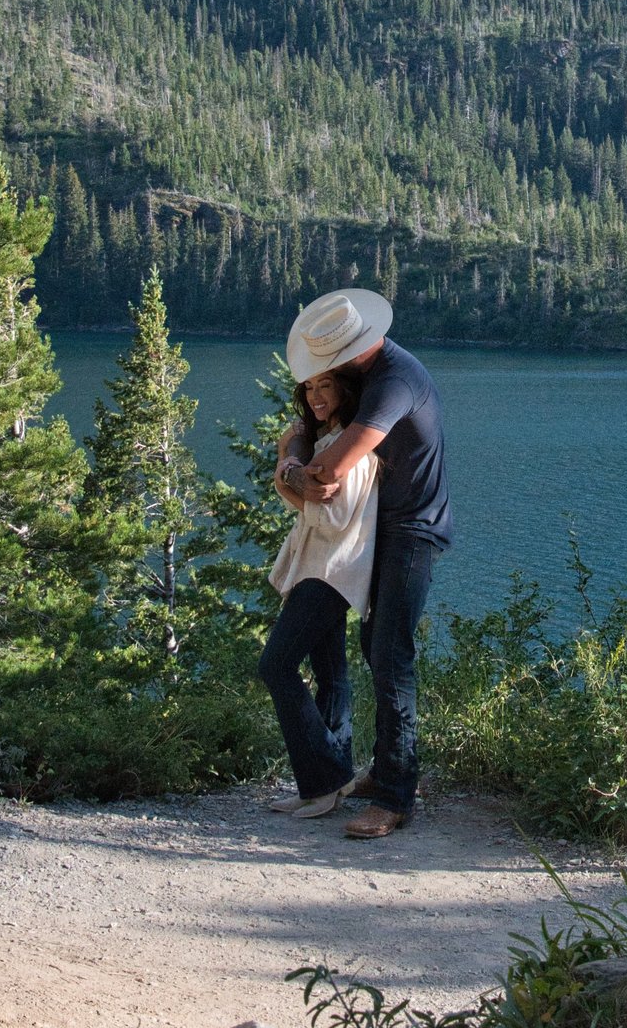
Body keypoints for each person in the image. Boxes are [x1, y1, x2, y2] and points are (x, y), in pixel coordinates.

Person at [277, 288, 450, 840]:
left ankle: (396, 797)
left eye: (327, 364)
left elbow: (330, 473)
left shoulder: (394, 382)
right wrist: (293, 458)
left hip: (411, 531)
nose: (322, 376)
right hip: (383, 530)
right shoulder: (371, 375)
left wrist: (292, 473)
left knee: (391, 653)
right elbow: (304, 429)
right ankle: (388, 770)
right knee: (375, 646)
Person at [257, 367, 379, 818]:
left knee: (276, 665)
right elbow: (296, 449)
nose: (315, 397)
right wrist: (290, 464)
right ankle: (325, 787)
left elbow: (332, 518)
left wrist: (284, 477)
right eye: (309, 388)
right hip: (321, 569)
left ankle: (326, 777)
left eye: (325, 386)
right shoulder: (328, 441)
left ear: (345, 390)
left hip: (331, 572)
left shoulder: (354, 449)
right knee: (331, 674)